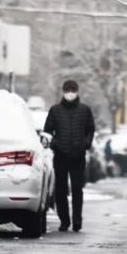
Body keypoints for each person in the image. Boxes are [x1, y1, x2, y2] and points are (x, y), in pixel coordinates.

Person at [43, 79, 96, 232]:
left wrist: (86, 143)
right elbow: (47, 131)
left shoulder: (85, 110)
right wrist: (54, 144)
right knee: (60, 190)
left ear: (77, 91)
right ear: (63, 91)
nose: (70, 93)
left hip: (78, 156)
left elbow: (90, 129)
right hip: (60, 155)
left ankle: (77, 220)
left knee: (77, 189)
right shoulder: (55, 110)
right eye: (68, 89)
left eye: (73, 89)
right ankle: (64, 221)